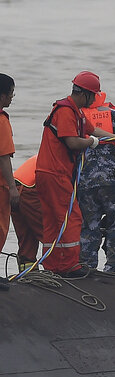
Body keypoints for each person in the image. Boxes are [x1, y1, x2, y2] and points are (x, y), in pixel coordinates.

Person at [36, 71, 115, 277]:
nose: (95, 99)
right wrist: (91, 142)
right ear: (86, 94)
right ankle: (70, 266)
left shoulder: (76, 112)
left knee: (54, 220)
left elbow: (94, 130)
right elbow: (73, 141)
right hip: (55, 172)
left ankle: (52, 265)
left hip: (51, 172)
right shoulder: (66, 111)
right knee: (72, 217)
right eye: (93, 95)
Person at [78, 91, 115, 273]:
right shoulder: (112, 114)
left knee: (88, 225)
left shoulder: (77, 115)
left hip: (85, 181)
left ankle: (87, 267)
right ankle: (114, 268)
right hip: (112, 181)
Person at [11, 155, 41, 273]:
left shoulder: (42, 156)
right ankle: (60, 269)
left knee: (27, 238)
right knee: (50, 233)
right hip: (30, 190)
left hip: (14, 189)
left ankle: (27, 272)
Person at [0, 74, 18, 254]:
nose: (12, 97)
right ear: (3, 96)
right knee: (0, 227)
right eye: (11, 93)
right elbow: (4, 157)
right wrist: (12, 188)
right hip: (0, 186)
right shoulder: (1, 120)